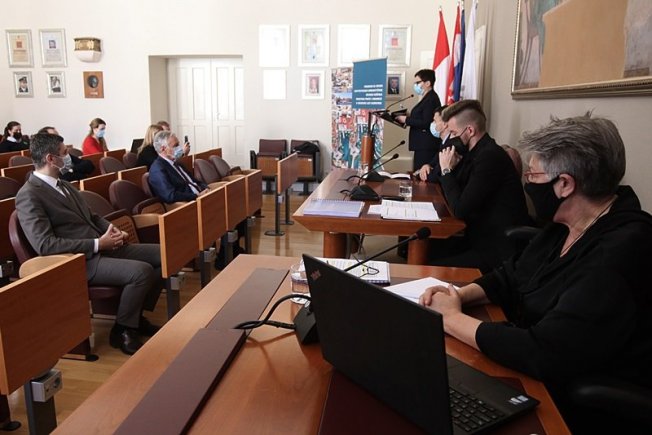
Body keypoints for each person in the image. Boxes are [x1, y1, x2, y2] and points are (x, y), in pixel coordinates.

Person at [419, 113, 652, 434]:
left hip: (574, 403)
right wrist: (456, 295)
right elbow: (510, 275)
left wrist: (451, 319)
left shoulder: (622, 251)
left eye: (533, 174)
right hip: (530, 364)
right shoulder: (567, 223)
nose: (527, 182)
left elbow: (545, 352)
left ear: (565, 184)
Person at [16, 133, 162, 355]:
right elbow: (45, 245)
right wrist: (97, 244)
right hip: (78, 261)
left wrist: (113, 230)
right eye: (65, 153)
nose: (69, 157)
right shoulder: (28, 195)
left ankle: (134, 316)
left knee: (164, 254)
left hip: (103, 247)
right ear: (50, 159)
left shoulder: (64, 185)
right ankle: (123, 329)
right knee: (141, 272)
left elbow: (92, 217)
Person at [430, 100, 530, 272]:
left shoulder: (489, 156)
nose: (451, 138)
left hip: (496, 246)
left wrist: (447, 170)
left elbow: (460, 208)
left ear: (470, 130)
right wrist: (450, 169)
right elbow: (451, 194)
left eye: (453, 133)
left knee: (432, 268)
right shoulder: (472, 153)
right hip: (474, 234)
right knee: (430, 248)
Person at [394, 69, 441, 170]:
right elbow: (422, 116)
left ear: (428, 83)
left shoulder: (431, 99)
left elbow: (427, 122)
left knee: (421, 173)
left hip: (426, 145)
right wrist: (409, 116)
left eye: (418, 82)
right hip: (422, 145)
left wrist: (406, 120)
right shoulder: (427, 97)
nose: (415, 85)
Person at [148, 131, 208, 203]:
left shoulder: (177, 163)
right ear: (163, 149)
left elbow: (194, 181)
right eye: (175, 146)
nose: (180, 148)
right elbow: (170, 195)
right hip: (190, 203)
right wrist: (197, 196)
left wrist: (206, 188)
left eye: (178, 144)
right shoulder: (157, 169)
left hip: (201, 196)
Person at [417, 105, 449, 182]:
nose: (432, 124)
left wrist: (421, 173)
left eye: (435, 121)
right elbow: (432, 164)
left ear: (445, 124)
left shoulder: (449, 146)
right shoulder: (443, 142)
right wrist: (426, 166)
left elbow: (434, 176)